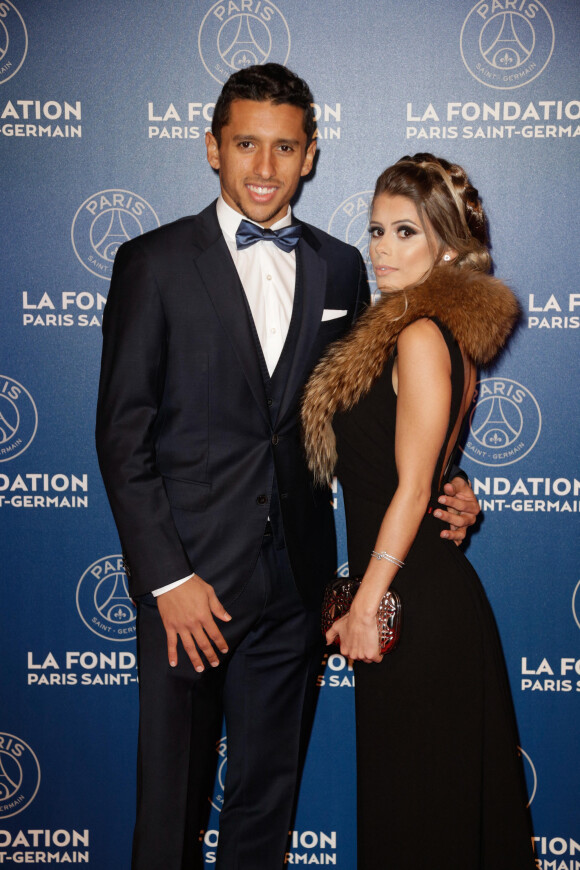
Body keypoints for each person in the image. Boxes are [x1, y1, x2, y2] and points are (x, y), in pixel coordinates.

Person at [96, 63, 480, 870]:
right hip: (189, 592)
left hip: (296, 588)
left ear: (310, 156)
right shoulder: (152, 264)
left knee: (265, 811)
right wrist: (168, 581)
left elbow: (389, 408)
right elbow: (121, 438)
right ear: (211, 148)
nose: (264, 168)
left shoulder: (345, 268)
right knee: (168, 814)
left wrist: (448, 477)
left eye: (284, 147)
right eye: (245, 145)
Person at [302, 154, 535, 869]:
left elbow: (409, 487)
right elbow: (428, 470)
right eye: (376, 230)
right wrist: (457, 492)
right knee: (420, 811)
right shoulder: (416, 331)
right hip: (415, 594)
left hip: (415, 607)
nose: (382, 249)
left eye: (406, 232)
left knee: (423, 817)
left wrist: (367, 604)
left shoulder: (420, 333)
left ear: (449, 247)